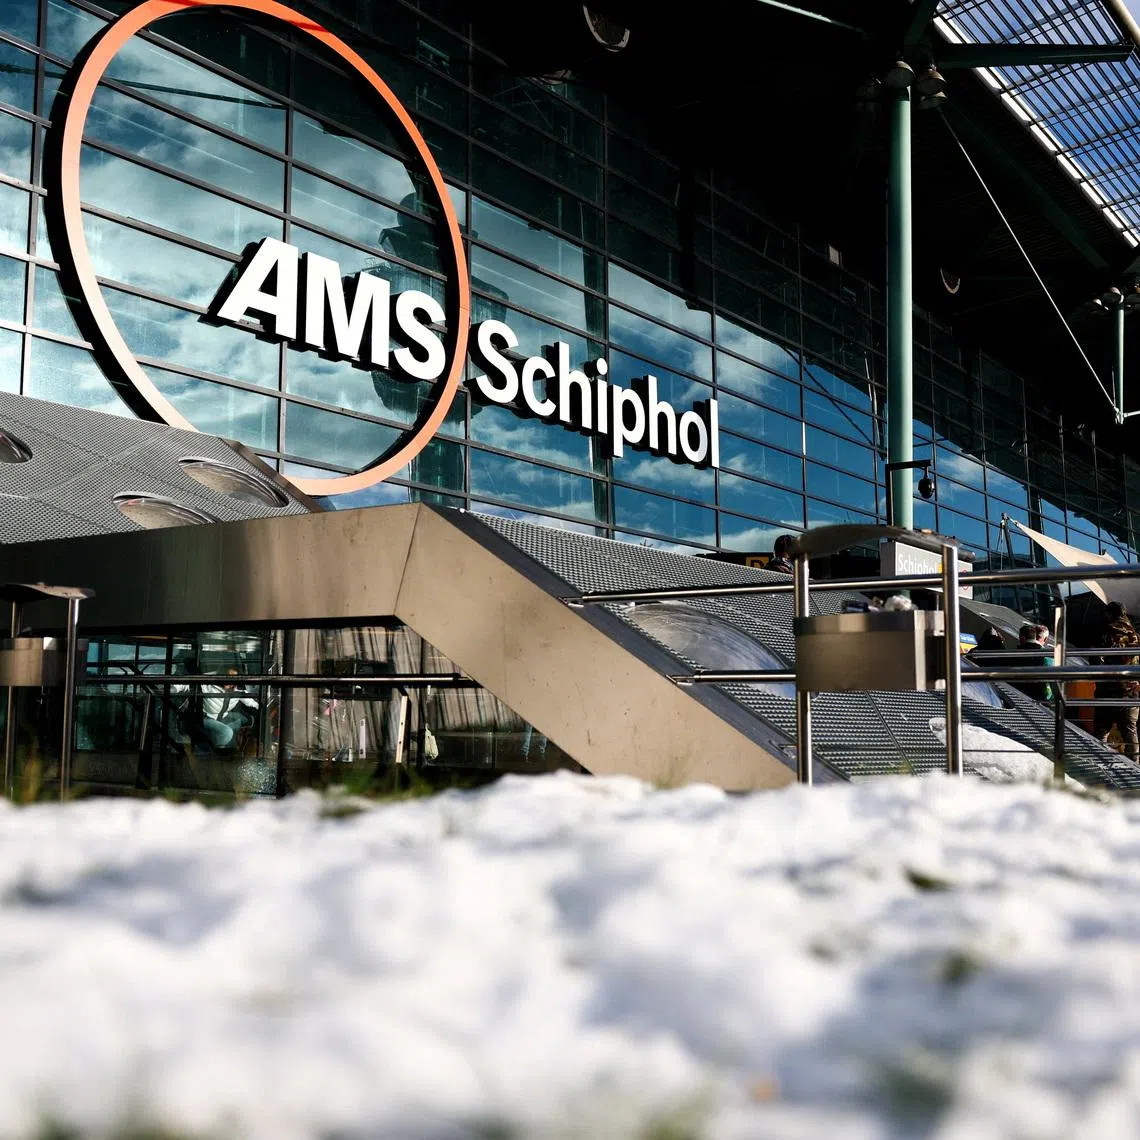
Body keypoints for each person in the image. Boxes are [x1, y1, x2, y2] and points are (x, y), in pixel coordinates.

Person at [1094, 601, 1140, 763]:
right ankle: (1135, 768)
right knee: (1130, 731)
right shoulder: (1135, 633)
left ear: (1109, 614)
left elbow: (1096, 659)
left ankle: (1098, 762)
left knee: (1101, 730)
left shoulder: (1107, 631)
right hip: (1131, 689)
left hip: (1109, 687)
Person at [1006, 622, 1054, 703]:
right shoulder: (1048, 658)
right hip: (1040, 699)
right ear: (1045, 640)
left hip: (1015, 695)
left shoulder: (1013, 654)